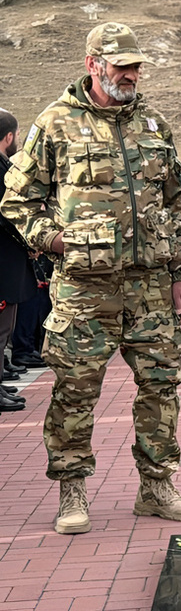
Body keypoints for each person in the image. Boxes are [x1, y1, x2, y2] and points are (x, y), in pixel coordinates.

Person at [0, 22, 181, 534]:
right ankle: (72, 491)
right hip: (85, 290)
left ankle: (157, 487)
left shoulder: (154, 123)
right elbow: (17, 201)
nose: (132, 74)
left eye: (136, 67)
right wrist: (55, 241)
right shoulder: (55, 123)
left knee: (161, 385)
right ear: (94, 64)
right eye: (122, 66)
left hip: (151, 287)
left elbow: (177, 203)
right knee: (75, 389)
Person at [0, 108, 32, 411]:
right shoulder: (2, 171)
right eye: (18, 135)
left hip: (7, 260)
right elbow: (9, 215)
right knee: (1, 330)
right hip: (4, 261)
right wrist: (31, 240)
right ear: (8, 136)